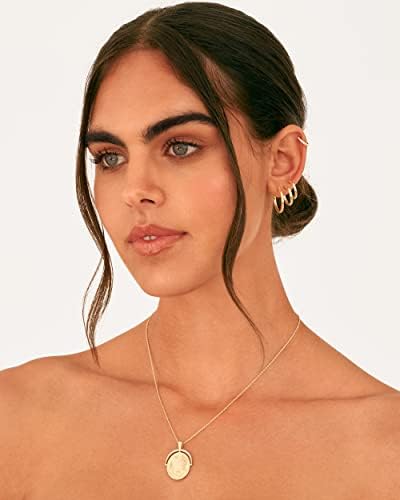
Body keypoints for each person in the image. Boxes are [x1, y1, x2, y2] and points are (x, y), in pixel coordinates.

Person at [1, 1, 399, 498]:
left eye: (180, 146)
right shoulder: (17, 419)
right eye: (110, 157)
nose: (135, 190)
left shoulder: (385, 452)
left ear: (282, 161)